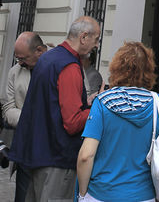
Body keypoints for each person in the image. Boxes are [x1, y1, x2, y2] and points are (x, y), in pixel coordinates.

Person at [9, 16, 101, 202]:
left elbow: (49, 105)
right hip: (57, 162)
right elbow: (72, 122)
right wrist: (99, 108)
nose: (96, 45)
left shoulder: (48, 58)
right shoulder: (69, 66)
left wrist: (86, 103)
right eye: (96, 39)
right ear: (83, 37)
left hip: (37, 156)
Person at [76, 40, 159, 202]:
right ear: (149, 70)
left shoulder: (102, 102)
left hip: (101, 194)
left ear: (116, 67)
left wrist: (82, 194)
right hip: (142, 195)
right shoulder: (157, 103)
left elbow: (86, 155)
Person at [1, 33, 47, 202]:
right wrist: (35, 120)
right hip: (26, 149)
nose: (19, 62)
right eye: (17, 58)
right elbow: (8, 109)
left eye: (23, 58)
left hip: (52, 150)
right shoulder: (15, 72)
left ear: (39, 51)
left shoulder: (60, 65)